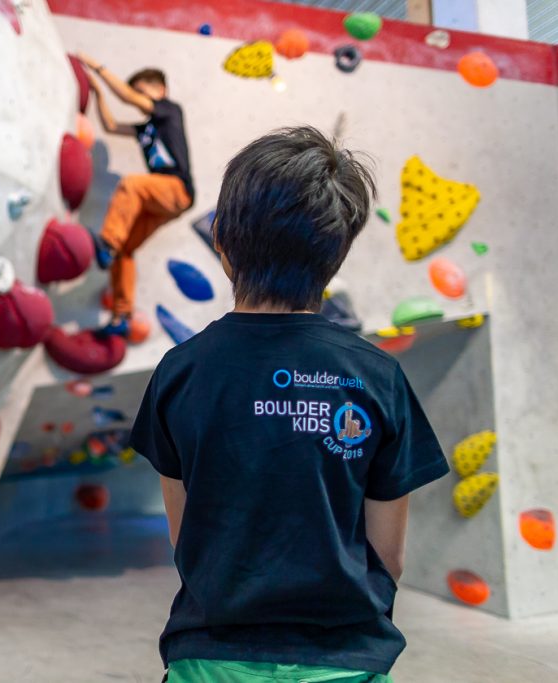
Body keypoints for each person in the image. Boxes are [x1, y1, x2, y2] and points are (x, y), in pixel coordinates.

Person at [130, 126, 450, 683]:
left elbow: (188, 542)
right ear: (337, 253)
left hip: (210, 659)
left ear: (223, 244)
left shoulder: (179, 373)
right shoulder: (378, 377)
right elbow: (388, 558)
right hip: (348, 661)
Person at [77, 53, 195, 337]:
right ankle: (122, 316)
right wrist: (97, 93)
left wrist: (98, 67)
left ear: (160, 91)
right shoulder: (146, 128)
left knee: (132, 185)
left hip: (176, 188)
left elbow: (128, 98)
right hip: (161, 201)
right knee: (125, 251)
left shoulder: (169, 110)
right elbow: (111, 126)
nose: (138, 98)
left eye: (143, 91)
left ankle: (107, 244)